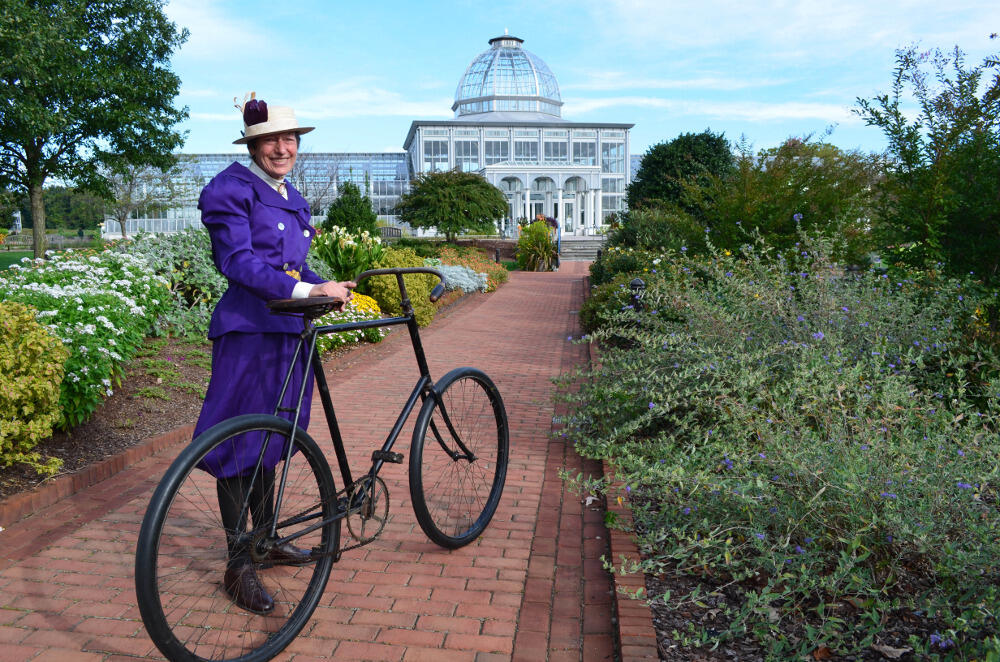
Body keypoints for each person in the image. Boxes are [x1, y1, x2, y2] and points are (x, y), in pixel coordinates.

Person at [192, 93, 355, 614]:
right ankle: (238, 564)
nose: (282, 148)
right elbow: (238, 262)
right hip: (249, 331)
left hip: (287, 330)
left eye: (290, 139)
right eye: (271, 141)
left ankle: (266, 539)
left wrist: (324, 284)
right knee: (239, 443)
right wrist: (307, 291)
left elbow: (291, 265)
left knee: (272, 438)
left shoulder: (288, 194)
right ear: (252, 145)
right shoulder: (230, 190)